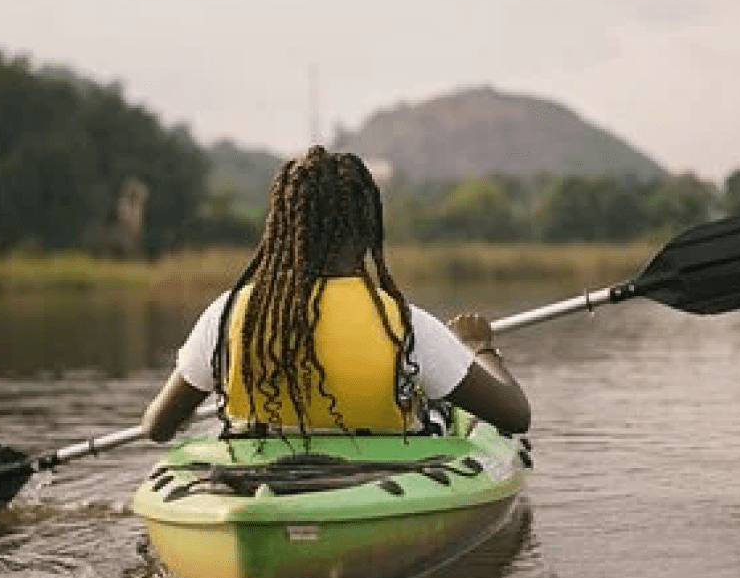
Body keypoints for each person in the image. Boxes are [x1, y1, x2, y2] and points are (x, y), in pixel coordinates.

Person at [142, 145, 530, 444]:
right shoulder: (404, 325)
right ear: (367, 229)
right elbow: (515, 416)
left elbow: (157, 427)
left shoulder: (227, 315)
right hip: (381, 481)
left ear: (282, 227)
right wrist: (478, 346)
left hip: (254, 477)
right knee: (440, 407)